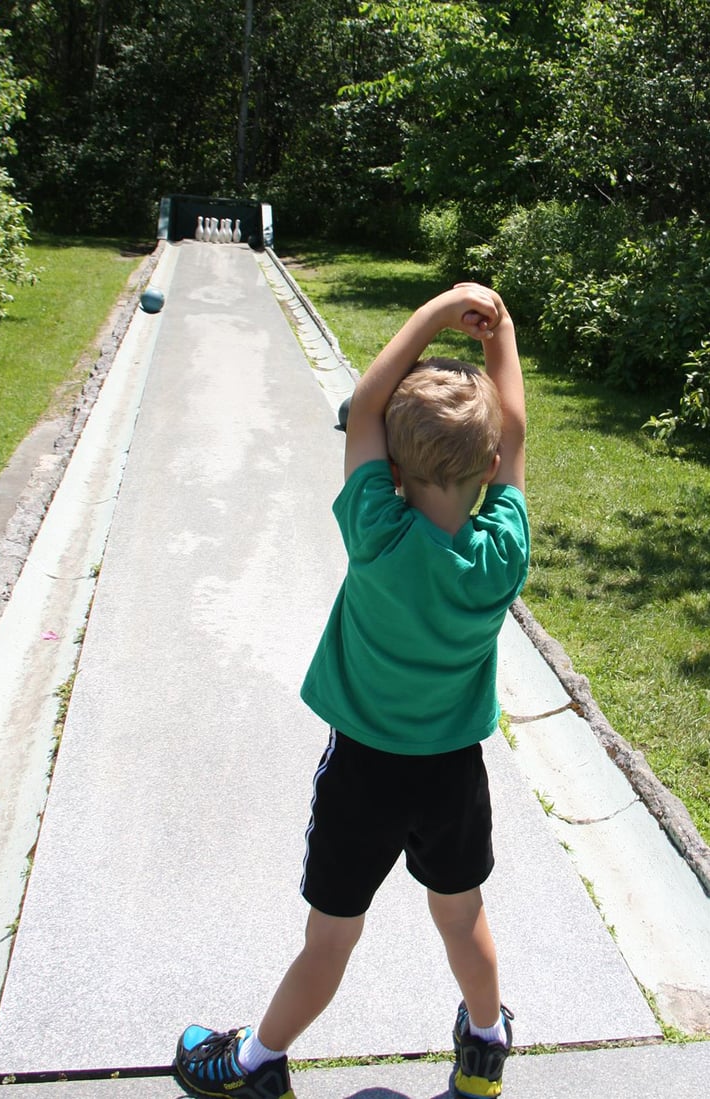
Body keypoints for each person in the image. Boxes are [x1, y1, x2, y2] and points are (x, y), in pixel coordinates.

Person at [174, 282, 529, 1099]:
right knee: (462, 913)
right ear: (486, 466)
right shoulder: (501, 552)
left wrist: (442, 311)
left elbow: (365, 405)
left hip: (363, 773)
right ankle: (484, 1046)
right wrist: (498, 332)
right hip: (452, 775)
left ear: (394, 466)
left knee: (330, 936)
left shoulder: (375, 528)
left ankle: (254, 1065)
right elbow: (514, 434)